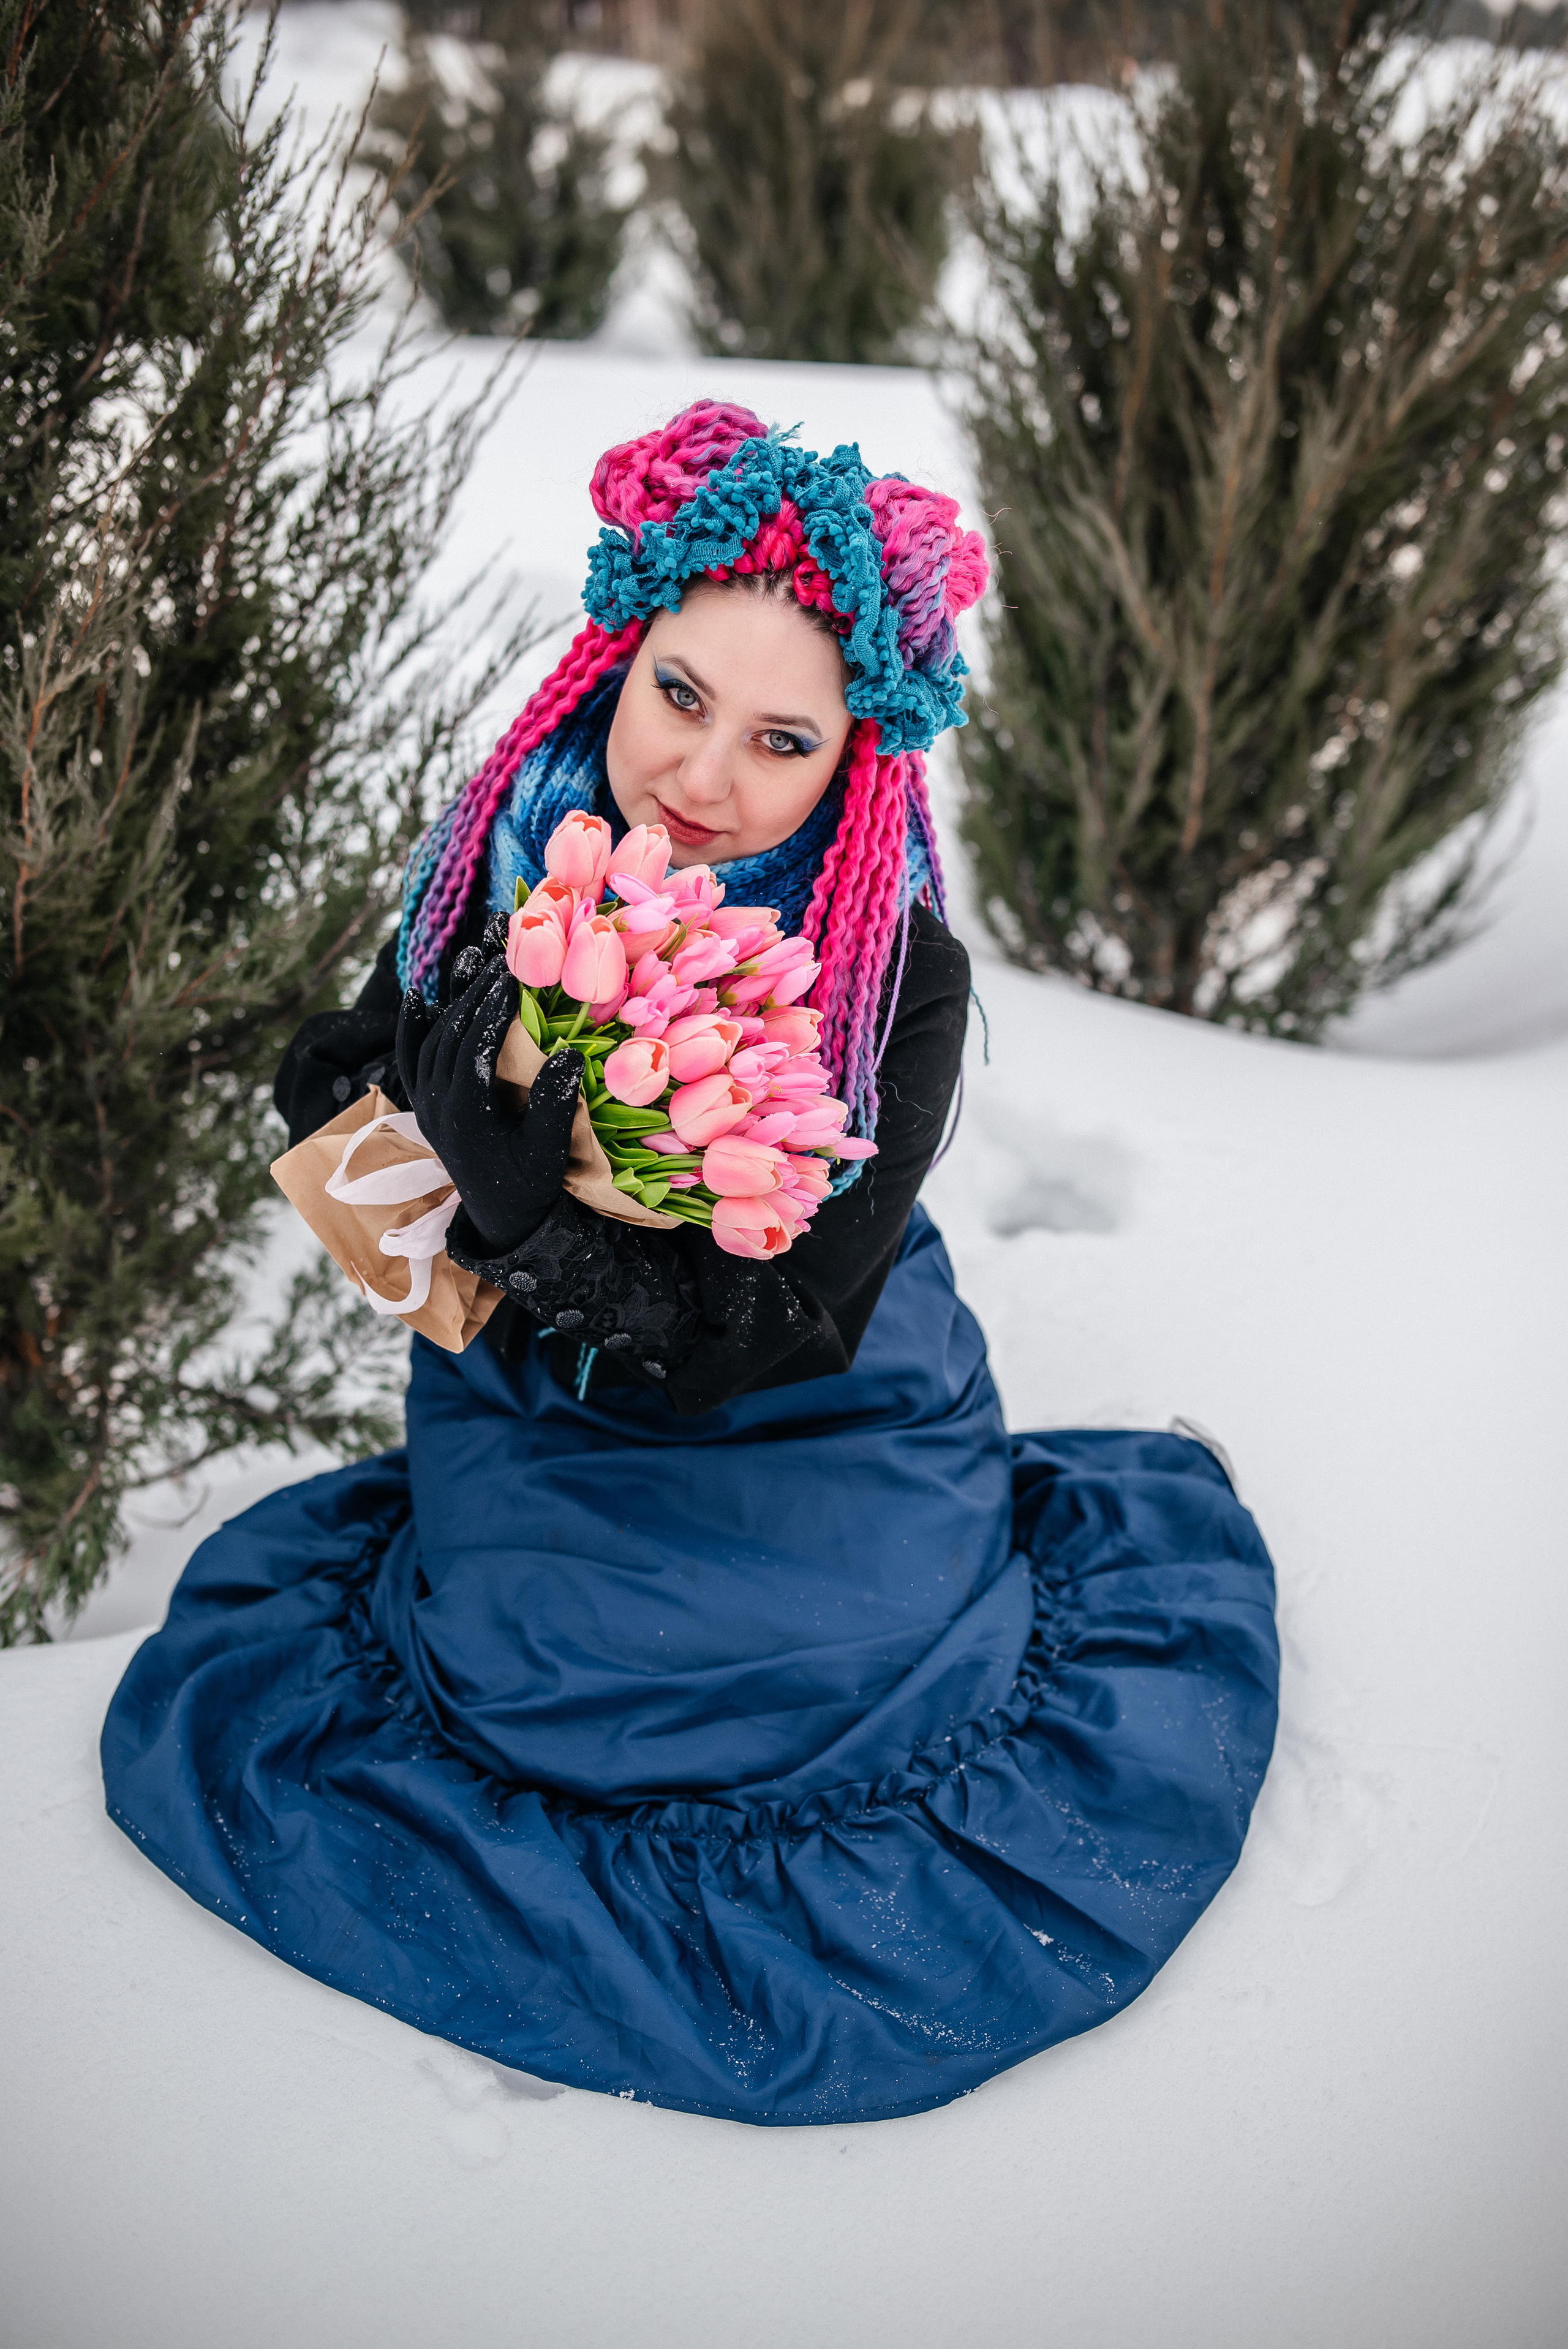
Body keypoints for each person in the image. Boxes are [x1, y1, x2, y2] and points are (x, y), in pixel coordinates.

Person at [101, 403, 1279, 2128]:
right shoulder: (505, 855)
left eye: (781, 739)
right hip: (532, 1396)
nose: (703, 779)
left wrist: (530, 1213)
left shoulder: (894, 969)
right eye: (680, 694)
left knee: (849, 1665)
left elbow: (761, 1337)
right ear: (620, 658)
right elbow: (337, 1084)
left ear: (854, 761)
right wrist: (418, 1107)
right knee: (545, 1683)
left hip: (821, 1383)